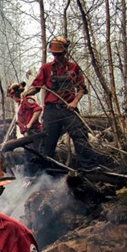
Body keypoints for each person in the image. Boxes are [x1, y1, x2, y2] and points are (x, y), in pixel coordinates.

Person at [23, 36, 96, 169]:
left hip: (69, 109)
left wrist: (74, 102)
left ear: (65, 52)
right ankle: (44, 173)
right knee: (47, 142)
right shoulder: (46, 69)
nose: (57, 57)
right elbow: (37, 86)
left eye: (59, 54)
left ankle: (88, 169)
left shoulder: (73, 68)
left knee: (80, 136)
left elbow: (81, 89)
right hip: (51, 111)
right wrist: (27, 92)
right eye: (54, 54)